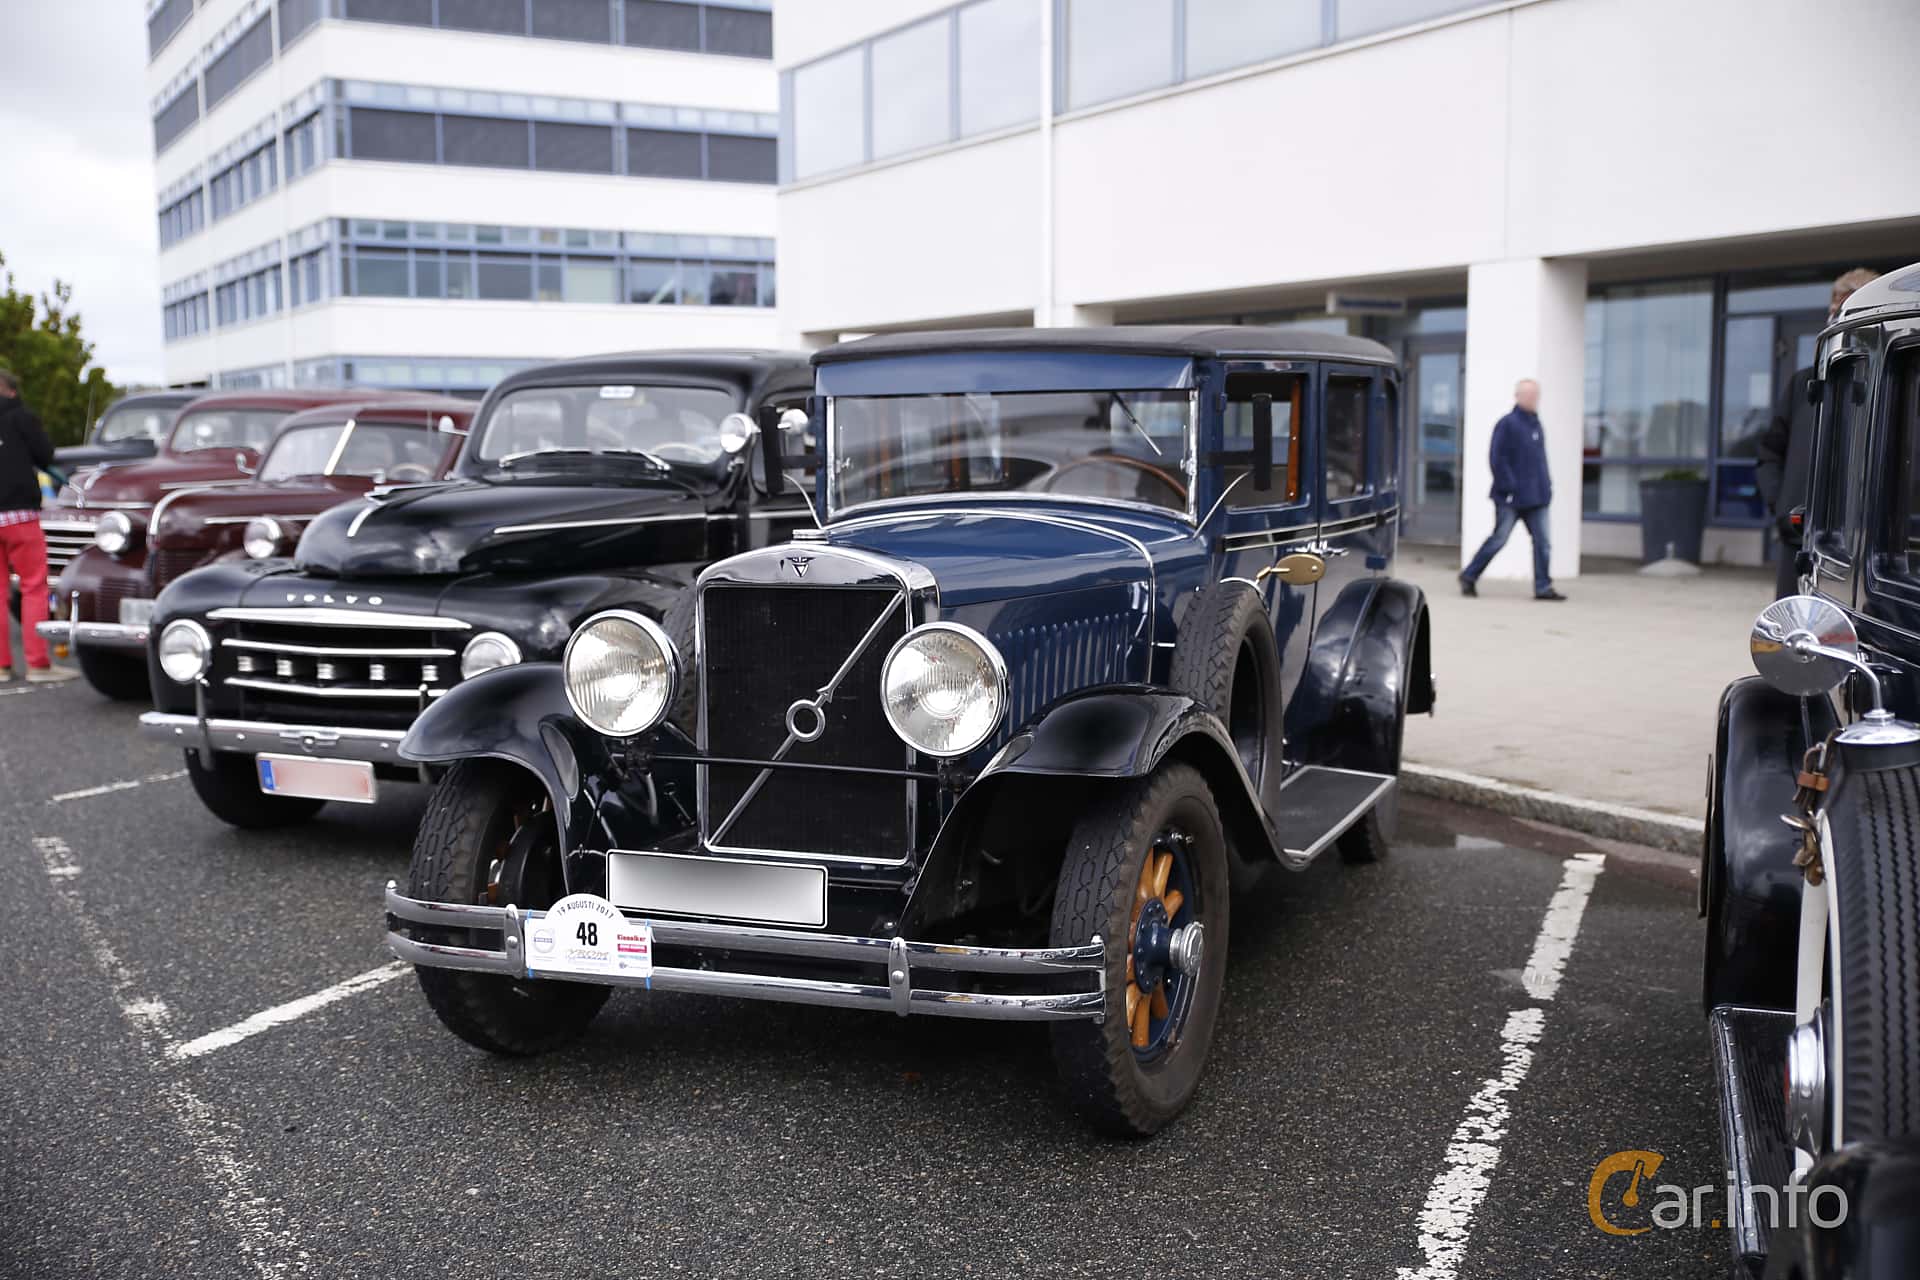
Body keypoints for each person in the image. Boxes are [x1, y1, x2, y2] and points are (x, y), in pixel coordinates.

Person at [1754, 267, 1879, 598]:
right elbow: (1769, 453)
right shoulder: (1803, 383)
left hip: (1868, 556)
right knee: (1797, 627)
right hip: (1800, 546)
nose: (1835, 318)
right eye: (1833, 310)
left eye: (1846, 309)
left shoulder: (1896, 385)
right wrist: (1783, 507)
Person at [0, 369, 78, 684]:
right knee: (33, 587)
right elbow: (45, 455)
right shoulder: (21, 417)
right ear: (12, 390)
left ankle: (1, 667)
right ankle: (38, 664)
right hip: (20, 514)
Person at [1459, 378, 1564, 601]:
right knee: (1499, 539)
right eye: (1529, 395)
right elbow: (1497, 458)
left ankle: (1543, 587)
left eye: (1536, 395)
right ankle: (1469, 576)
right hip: (1511, 498)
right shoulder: (1507, 424)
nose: (1533, 399)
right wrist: (1509, 486)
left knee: (1543, 543)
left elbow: (1540, 462)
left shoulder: (1536, 424)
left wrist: (1547, 487)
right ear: (1518, 397)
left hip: (1537, 498)